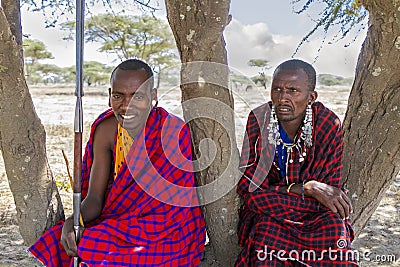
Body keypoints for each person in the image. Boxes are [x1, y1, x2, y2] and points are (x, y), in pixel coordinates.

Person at [29, 59, 206, 266]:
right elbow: (95, 198)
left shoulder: (173, 132)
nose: (126, 105)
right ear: (109, 95)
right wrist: (73, 221)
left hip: (165, 230)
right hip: (120, 224)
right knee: (64, 240)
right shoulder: (107, 130)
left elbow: (177, 210)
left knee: (101, 249)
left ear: (154, 97)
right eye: (118, 96)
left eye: (138, 96)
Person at [235, 59, 358, 266]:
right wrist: (306, 188)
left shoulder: (327, 123)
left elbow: (329, 193)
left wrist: (290, 191)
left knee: (334, 228)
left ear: (311, 97)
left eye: (293, 91)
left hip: (310, 211)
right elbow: (251, 187)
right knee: (264, 229)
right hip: (273, 209)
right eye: (277, 89)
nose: (283, 98)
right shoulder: (259, 118)